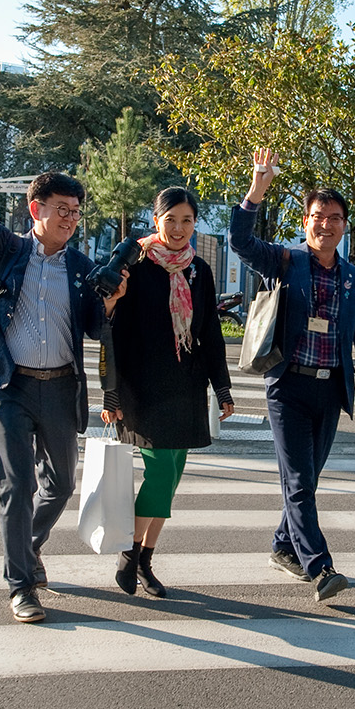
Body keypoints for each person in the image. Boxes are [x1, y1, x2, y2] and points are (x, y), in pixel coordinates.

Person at [0, 106, 125, 624]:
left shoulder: (84, 267)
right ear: (34, 207)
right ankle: (21, 583)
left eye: (76, 210)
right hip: (11, 384)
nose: (69, 217)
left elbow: (91, 327)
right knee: (16, 485)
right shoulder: (3, 249)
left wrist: (109, 302)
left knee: (60, 485)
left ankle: (29, 545)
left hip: (63, 388)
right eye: (61, 207)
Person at [230, 147, 355, 604]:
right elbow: (240, 241)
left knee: (307, 480)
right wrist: (256, 191)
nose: (326, 224)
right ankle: (321, 567)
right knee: (298, 480)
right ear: (306, 220)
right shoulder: (284, 261)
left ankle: (283, 545)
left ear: (344, 224)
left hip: (330, 388)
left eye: (335, 217)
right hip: (288, 386)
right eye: (319, 216)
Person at [100, 186, 235, 597]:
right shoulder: (133, 264)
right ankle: (129, 556)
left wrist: (222, 387)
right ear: (156, 219)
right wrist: (110, 392)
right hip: (141, 388)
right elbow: (111, 333)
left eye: (187, 220)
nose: (178, 229)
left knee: (172, 477)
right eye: (170, 219)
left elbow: (210, 332)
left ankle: (145, 560)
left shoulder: (199, 270)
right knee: (159, 473)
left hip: (186, 386)